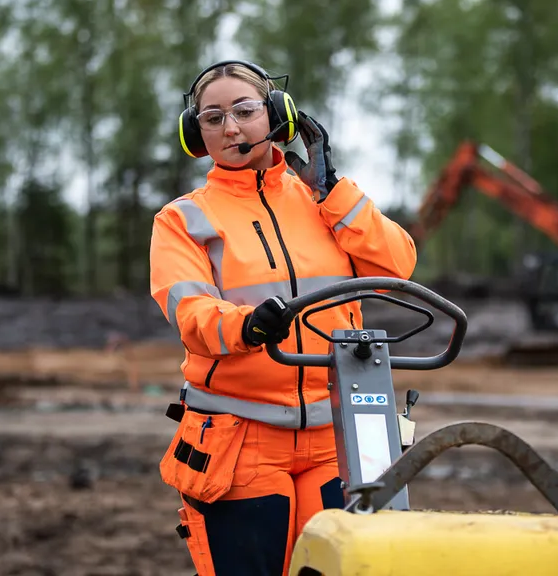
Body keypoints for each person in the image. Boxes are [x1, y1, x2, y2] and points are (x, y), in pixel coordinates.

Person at [149, 59, 417, 576]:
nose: (230, 128)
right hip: (241, 438)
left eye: (245, 111)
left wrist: (333, 187)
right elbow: (191, 314)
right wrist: (245, 326)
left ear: (277, 115)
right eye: (212, 118)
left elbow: (396, 266)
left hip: (339, 433)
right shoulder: (182, 219)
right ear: (195, 134)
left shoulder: (327, 201)